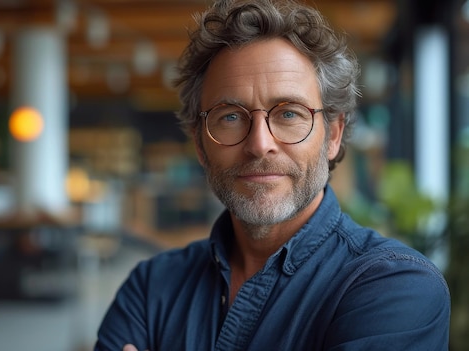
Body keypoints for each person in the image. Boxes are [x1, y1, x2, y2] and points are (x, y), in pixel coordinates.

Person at [95, 0, 450, 350]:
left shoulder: (395, 285)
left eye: (289, 114)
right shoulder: (150, 288)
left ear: (334, 135)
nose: (259, 144)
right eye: (230, 116)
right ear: (200, 145)